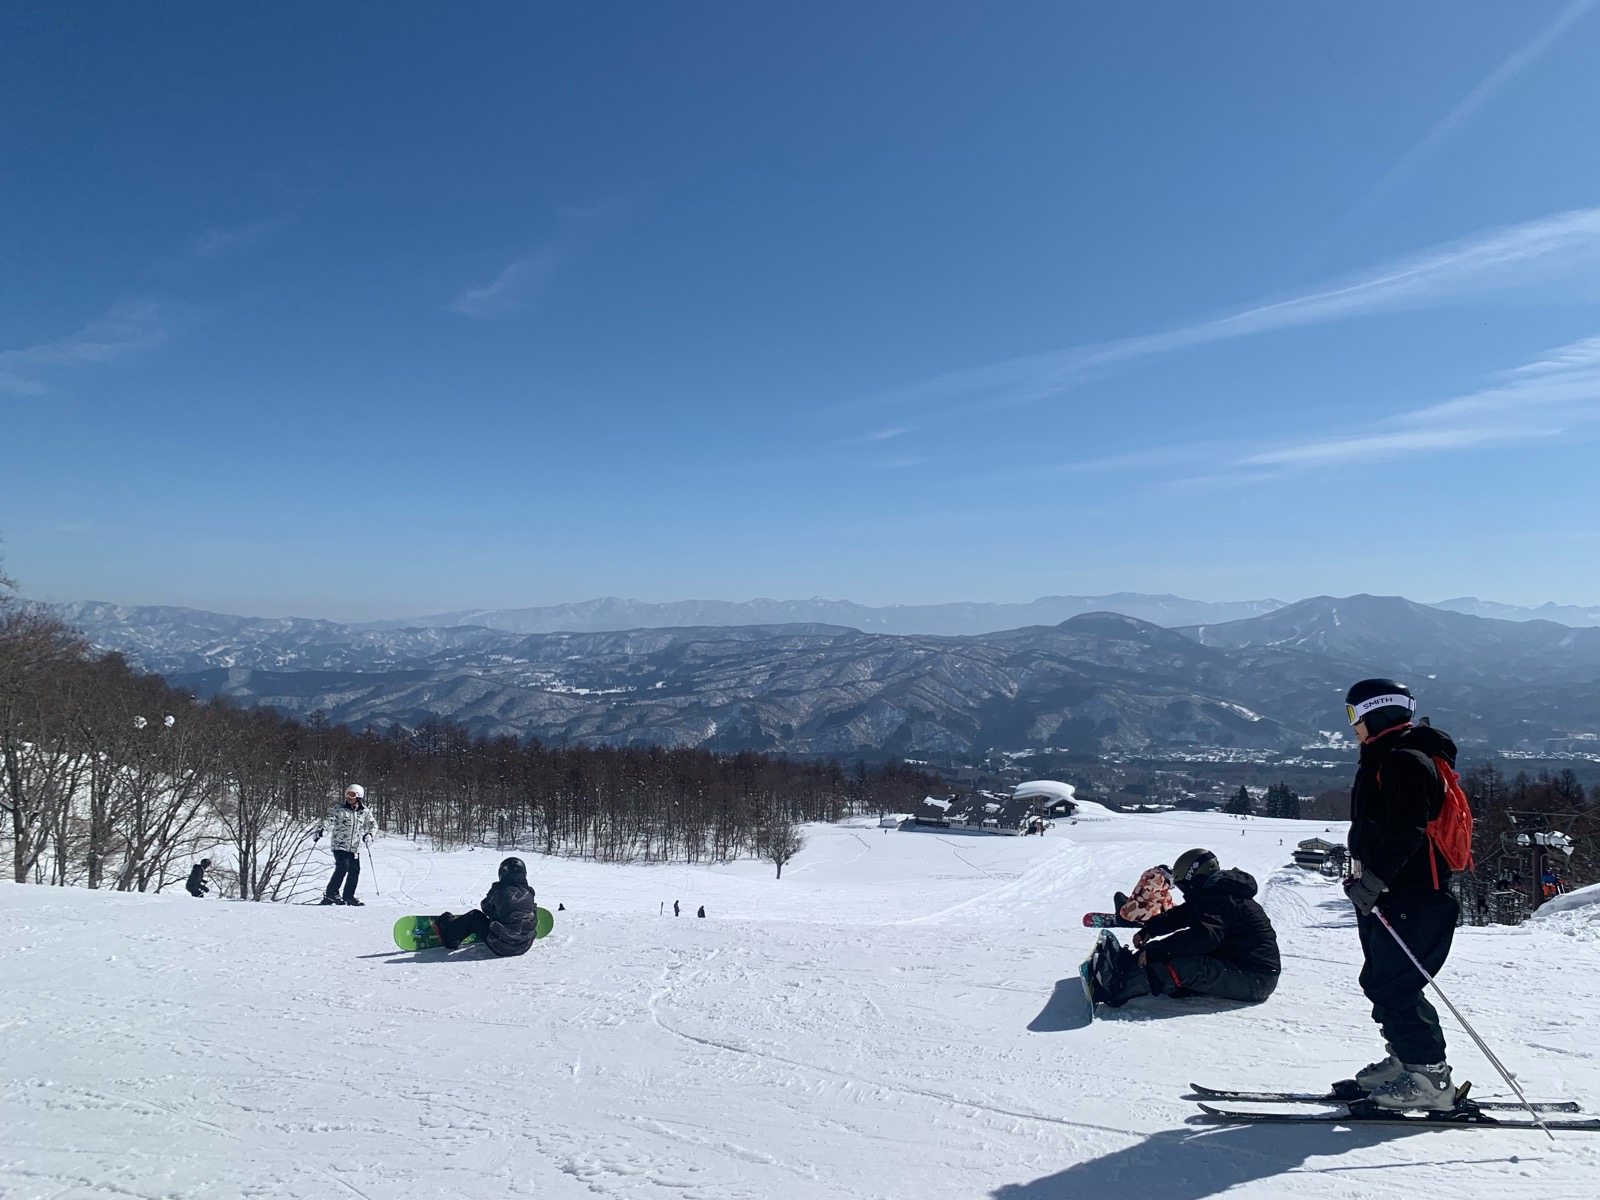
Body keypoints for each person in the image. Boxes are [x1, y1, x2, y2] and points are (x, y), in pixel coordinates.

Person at [1342, 678, 1460, 1111]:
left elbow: (1405, 832)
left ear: (1376, 713)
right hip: (1393, 893)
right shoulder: (1388, 756)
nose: (1352, 726)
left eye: (1354, 715)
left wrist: (1374, 880)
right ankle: (1409, 1059)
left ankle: (1430, 1080)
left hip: (1412, 896)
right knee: (1381, 980)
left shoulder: (1404, 761)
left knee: (1396, 986)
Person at [1089, 848, 1279, 1008]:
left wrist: (1156, 950)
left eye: (1184, 887)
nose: (1185, 892)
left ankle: (1118, 989)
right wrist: (1149, 929)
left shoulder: (1222, 899)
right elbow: (1180, 915)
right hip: (1236, 963)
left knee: (1188, 966)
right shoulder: (1215, 893)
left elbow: (1204, 937)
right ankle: (1130, 966)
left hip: (1255, 978)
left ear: (1194, 880)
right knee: (1179, 951)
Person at [436, 857, 540, 955]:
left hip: (501, 946)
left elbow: (485, 907)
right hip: (525, 946)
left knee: (474, 916)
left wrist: (494, 913)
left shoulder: (499, 889)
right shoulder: (529, 892)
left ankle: (450, 937)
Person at [314, 784, 375, 906]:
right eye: (347, 794)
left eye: (352, 794)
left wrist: (370, 834)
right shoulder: (339, 809)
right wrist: (320, 829)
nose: (349, 797)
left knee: (354, 870)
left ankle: (348, 896)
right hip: (340, 844)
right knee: (343, 866)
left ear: (359, 796)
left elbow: (373, 825)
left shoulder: (364, 812)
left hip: (354, 847)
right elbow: (328, 819)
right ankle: (331, 893)